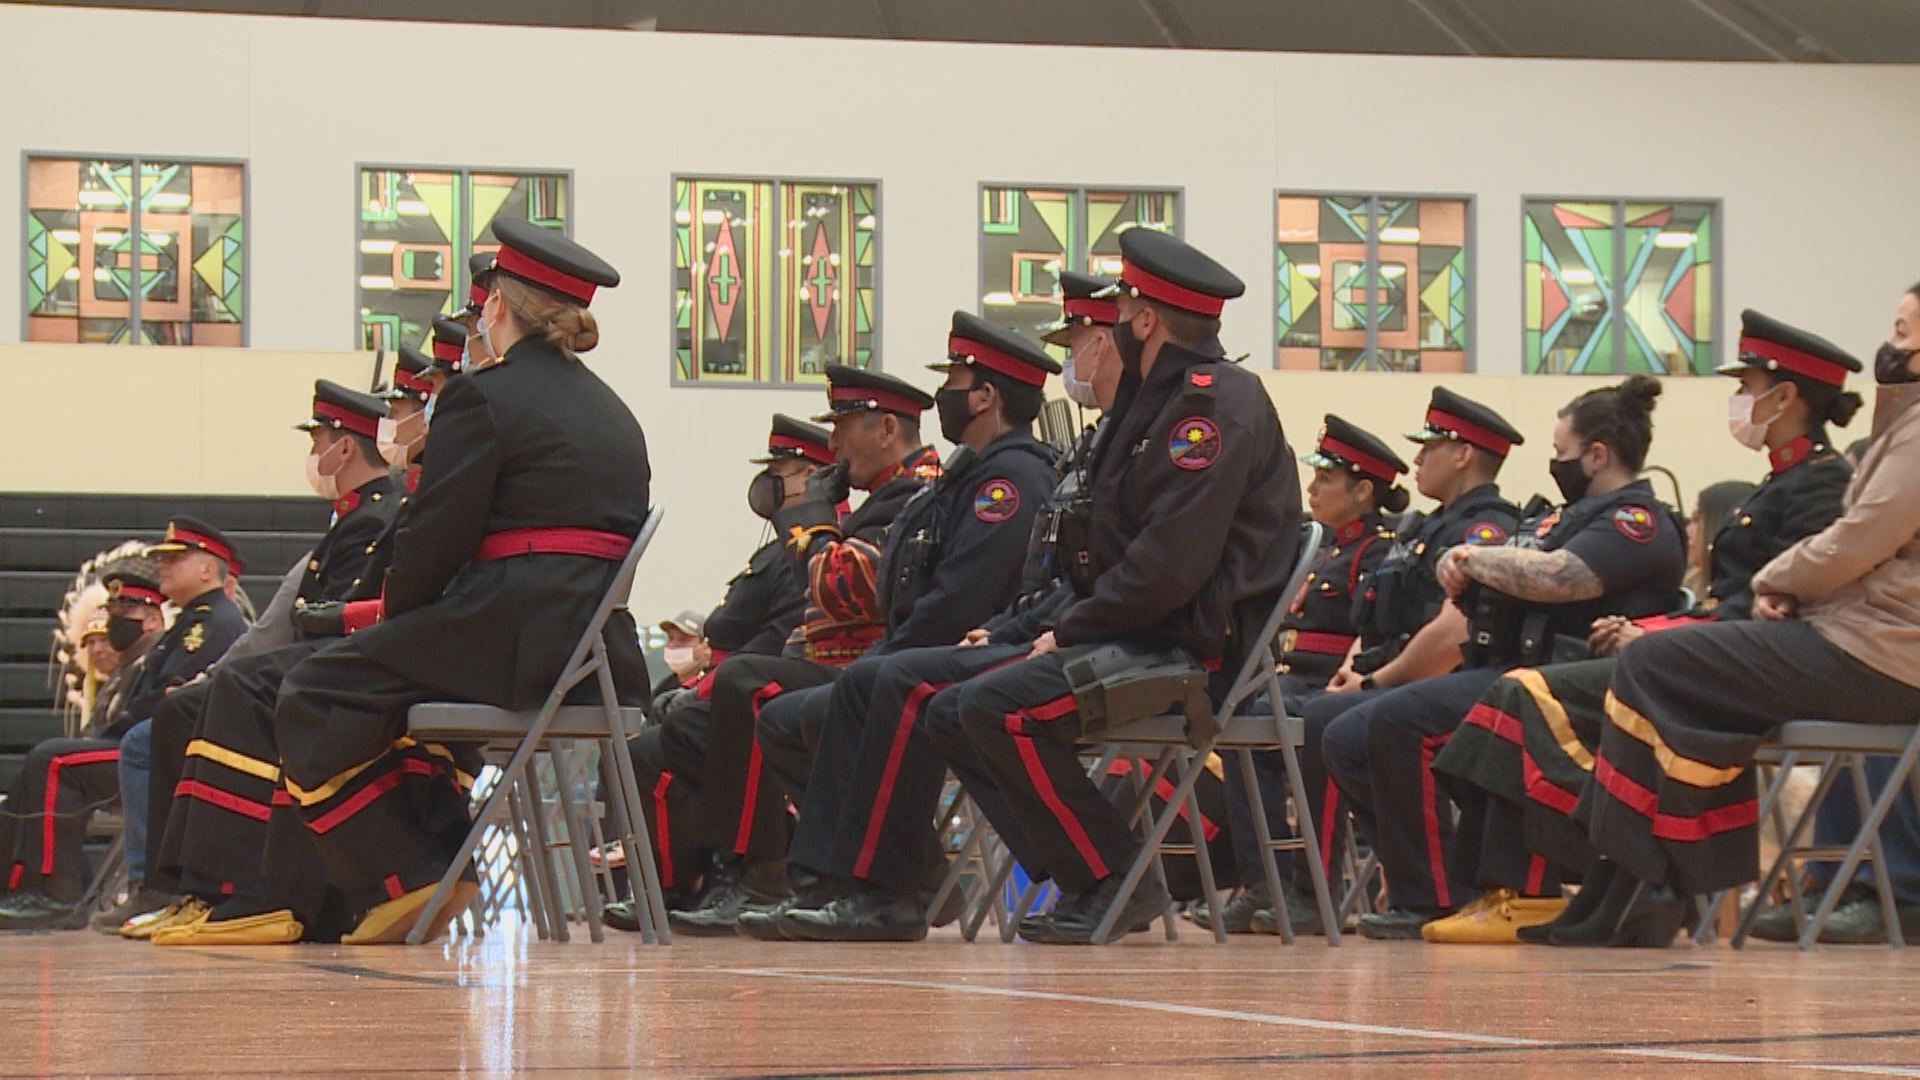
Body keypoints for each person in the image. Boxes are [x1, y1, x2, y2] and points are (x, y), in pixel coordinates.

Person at [270, 218, 651, 944]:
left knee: (314, 690)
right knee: (380, 693)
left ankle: (409, 875)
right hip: (592, 656)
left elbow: (433, 539)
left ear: (499, 307)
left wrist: (400, 620)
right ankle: (435, 860)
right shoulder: (616, 412)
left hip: (505, 637)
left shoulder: (484, 397)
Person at [1429, 309, 1859, 944]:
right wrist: (1656, 628)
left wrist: (1658, 638)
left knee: (1526, 691)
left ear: (1786, 395)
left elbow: (1787, 600)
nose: (1738, 400)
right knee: (1521, 690)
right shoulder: (1782, 481)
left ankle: (1600, 878)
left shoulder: (1823, 483)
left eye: (1746, 386)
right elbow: (1730, 605)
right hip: (1716, 654)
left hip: (1754, 669)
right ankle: (1534, 887)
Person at [929, 227, 1300, 945]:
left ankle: (1114, 879)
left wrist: (1070, 629)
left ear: (1145, 319)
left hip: (1195, 654)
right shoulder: (1153, 403)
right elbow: (1108, 551)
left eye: (1120, 307)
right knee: (951, 711)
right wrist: (1066, 620)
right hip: (1142, 633)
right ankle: (1093, 873)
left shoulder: (1210, 409)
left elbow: (1168, 566)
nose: (1109, 325)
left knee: (999, 709)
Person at [1574, 283, 1920, 949]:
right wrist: (1793, 590)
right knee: (1671, 676)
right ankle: (1651, 879)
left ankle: (1654, 879)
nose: (1891, 345)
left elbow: (1864, 536)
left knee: (1654, 662)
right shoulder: (1902, 424)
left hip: (1883, 649)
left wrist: (1776, 578)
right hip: (1864, 638)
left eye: (1904, 333)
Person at [1326, 376, 1687, 941]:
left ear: (1597, 455)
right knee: (1345, 734)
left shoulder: (1634, 522)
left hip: (1573, 686)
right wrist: (1476, 570)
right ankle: (1440, 884)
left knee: (1400, 720)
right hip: (1517, 673)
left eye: (1560, 453)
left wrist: (1471, 559)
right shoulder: (1563, 515)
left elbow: (1564, 577)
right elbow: (1509, 575)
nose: (1553, 464)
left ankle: (1450, 896)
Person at [650, 366, 937, 924]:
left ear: (885, 430)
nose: (833, 444)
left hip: (876, 668)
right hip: (848, 669)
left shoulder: (912, 495)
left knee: (750, 687)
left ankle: (759, 873)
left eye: (844, 426)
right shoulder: (880, 498)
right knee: (684, 730)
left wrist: (812, 518)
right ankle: (918, 864)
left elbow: (848, 590)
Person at [122, 382, 405, 946]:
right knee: (182, 708)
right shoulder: (350, 518)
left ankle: (230, 886)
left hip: (338, 672)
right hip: (312, 663)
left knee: (223, 690)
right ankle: (189, 889)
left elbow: (332, 618)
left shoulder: (375, 519)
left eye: (320, 439)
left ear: (343, 449)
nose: (315, 454)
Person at [1280, 389, 1524, 935]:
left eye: (1429, 447)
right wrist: (1359, 670)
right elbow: (1384, 624)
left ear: (1463, 454)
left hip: (1462, 679)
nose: (1416, 461)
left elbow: (1452, 634)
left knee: (1351, 722)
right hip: (1406, 676)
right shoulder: (1428, 530)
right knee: (1332, 725)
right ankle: (1421, 878)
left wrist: (1373, 679)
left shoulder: (1484, 529)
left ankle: (1432, 893)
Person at [608, 415, 827, 924]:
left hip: (773, 686)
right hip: (740, 681)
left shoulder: (816, 547)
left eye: (785, 470)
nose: (770, 483)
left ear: (817, 476)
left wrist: (706, 688)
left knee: (695, 728)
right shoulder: (777, 550)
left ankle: (750, 874)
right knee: (647, 747)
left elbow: (783, 636)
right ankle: (674, 885)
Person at [1202, 415, 1407, 935]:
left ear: (1363, 491)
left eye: (1326, 480)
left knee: (1271, 723)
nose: (1312, 488)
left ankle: (1309, 887)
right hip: (1289, 683)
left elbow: (1375, 633)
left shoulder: (1376, 551)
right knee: (1235, 720)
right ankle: (1262, 882)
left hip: (1329, 689)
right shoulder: (1321, 549)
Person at [0, 521, 247, 930]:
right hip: (139, 739)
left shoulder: (212, 622)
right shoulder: (192, 620)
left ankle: (54, 893)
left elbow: (173, 699)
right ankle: (17, 885)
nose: (163, 566)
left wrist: (124, 723)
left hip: (155, 748)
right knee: (42, 763)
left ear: (208, 570)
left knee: (55, 761)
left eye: (176, 558)